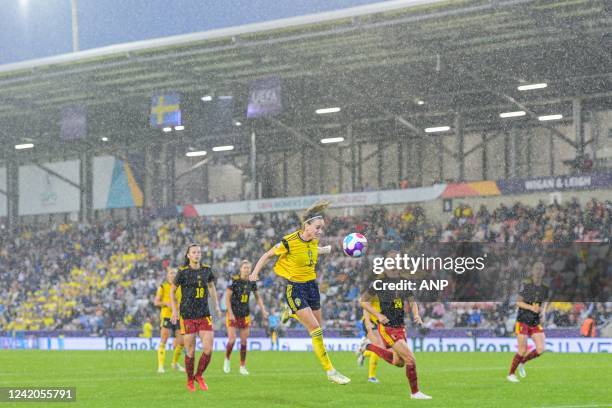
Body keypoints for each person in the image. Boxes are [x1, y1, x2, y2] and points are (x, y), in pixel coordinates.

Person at [249, 200, 350, 384]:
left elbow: (311, 250)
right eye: (318, 228)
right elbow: (267, 255)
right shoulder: (289, 241)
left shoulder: (313, 241)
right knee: (316, 330)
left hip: (312, 286)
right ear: (307, 226)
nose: (321, 231)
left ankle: (291, 313)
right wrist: (254, 273)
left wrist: (325, 250)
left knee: (319, 328)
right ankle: (331, 371)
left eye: (322, 228)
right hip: (295, 288)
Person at [359, 251, 432, 400]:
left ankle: (368, 346)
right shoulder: (379, 282)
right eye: (391, 261)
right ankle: (415, 393)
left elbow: (412, 301)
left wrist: (416, 314)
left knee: (397, 362)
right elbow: (363, 301)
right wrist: (378, 315)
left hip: (400, 326)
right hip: (388, 327)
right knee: (411, 359)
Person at [171, 244, 221, 392]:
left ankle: (199, 375)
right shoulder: (183, 272)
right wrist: (174, 311)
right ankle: (189, 380)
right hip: (188, 316)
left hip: (204, 314)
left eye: (199, 252)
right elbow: (172, 292)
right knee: (191, 351)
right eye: (194, 252)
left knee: (208, 349)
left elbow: (211, 287)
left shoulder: (207, 270)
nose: (197, 254)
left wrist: (216, 305)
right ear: (188, 255)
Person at [223, 260, 268, 375]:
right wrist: (230, 312)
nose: (247, 270)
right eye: (245, 268)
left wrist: (263, 310)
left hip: (245, 314)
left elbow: (258, 297)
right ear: (240, 269)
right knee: (232, 339)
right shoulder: (234, 280)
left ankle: (242, 366)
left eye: (248, 268)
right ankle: (227, 360)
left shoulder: (251, 282)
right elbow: (227, 298)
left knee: (244, 341)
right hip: (232, 314)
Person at [507, 261, 549, 383]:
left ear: (544, 271)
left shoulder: (545, 287)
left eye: (541, 269)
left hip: (535, 321)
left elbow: (545, 301)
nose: (539, 271)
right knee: (522, 350)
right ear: (532, 270)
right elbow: (518, 302)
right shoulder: (526, 285)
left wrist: (543, 312)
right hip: (523, 320)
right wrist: (531, 308)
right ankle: (511, 374)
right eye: (537, 268)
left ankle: (522, 363)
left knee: (541, 349)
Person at [153, 267, 185, 373]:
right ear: (167, 275)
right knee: (164, 338)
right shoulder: (163, 287)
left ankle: (174, 363)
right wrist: (166, 303)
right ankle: (160, 366)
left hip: (179, 316)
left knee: (181, 342)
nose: (173, 275)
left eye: (175, 273)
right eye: (171, 273)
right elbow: (156, 302)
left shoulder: (181, 287)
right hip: (167, 316)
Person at [356, 295, 383, 383]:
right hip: (370, 322)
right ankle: (371, 377)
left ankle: (363, 353)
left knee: (382, 350)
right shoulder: (376, 292)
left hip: (377, 322)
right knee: (378, 347)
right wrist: (368, 323)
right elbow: (364, 304)